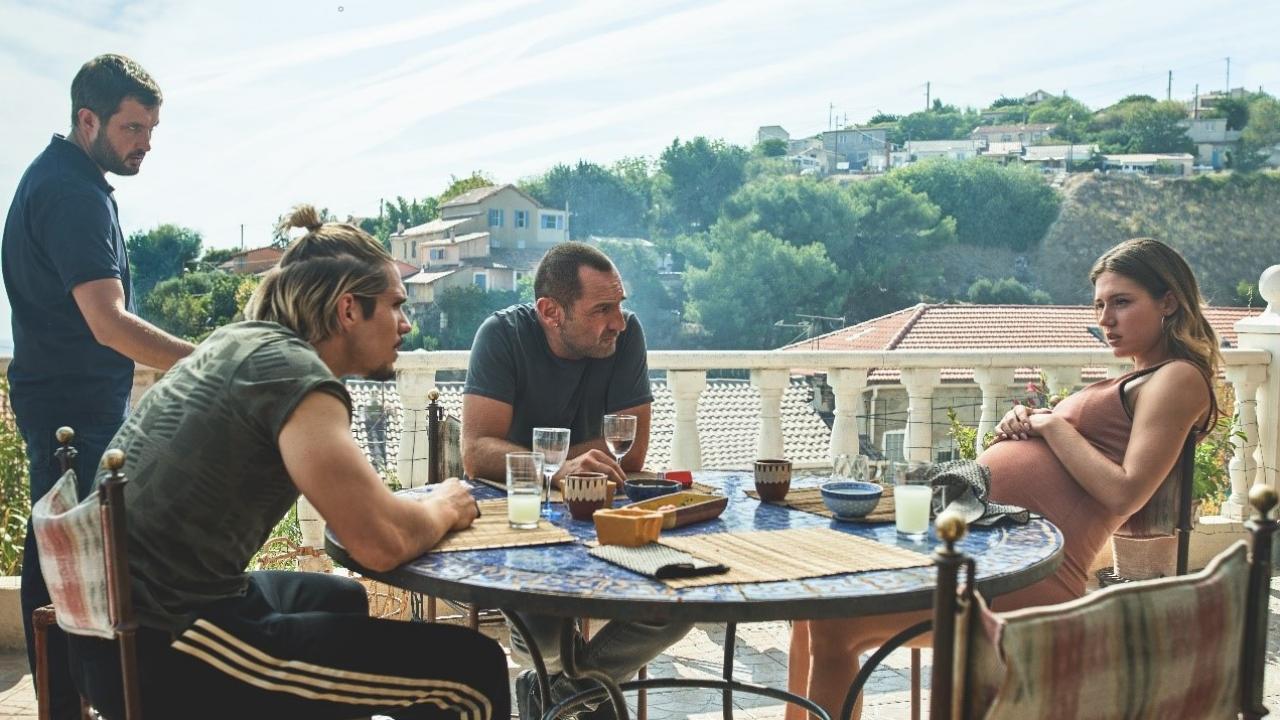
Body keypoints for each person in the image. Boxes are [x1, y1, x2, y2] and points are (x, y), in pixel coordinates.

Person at [65, 206, 509, 719]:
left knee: (340, 600)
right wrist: (447, 505)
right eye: (394, 305)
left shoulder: (238, 342)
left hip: (107, 632)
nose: (406, 323)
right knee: (472, 670)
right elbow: (379, 542)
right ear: (348, 310)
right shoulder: (295, 377)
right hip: (166, 650)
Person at [786, 237, 1221, 719]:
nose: (1105, 320)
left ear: (1168, 301)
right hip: (978, 559)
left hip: (1019, 582)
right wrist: (1025, 427)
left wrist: (1051, 424)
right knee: (813, 602)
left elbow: (1126, 492)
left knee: (833, 625)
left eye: (1122, 302)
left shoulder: (1177, 377)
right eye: (1099, 304)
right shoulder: (1136, 376)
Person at [1, 53, 195, 717]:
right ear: (89, 120)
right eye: (133, 128)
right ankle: (67, 705)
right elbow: (108, 324)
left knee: (54, 557)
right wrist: (202, 359)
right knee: (65, 569)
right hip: (70, 411)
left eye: (151, 129)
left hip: (61, 401)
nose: (146, 143)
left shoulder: (59, 180)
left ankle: (63, 704)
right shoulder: (72, 194)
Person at [462, 241, 692, 719]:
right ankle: (577, 696)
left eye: (621, 305)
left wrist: (537, 458)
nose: (619, 322)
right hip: (521, 526)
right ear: (551, 311)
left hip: (608, 522)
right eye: (603, 310)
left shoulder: (626, 338)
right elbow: (478, 451)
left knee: (681, 595)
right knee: (543, 635)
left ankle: (555, 698)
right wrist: (558, 469)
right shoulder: (502, 337)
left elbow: (630, 449)